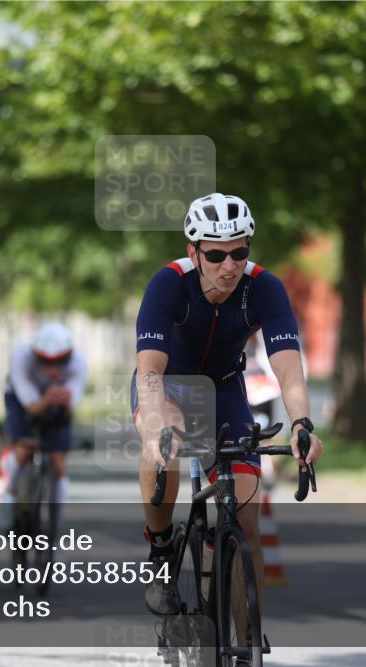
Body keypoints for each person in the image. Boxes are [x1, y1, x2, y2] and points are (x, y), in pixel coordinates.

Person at [132, 192, 324, 616]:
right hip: (169, 385)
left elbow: (289, 371)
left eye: (239, 252)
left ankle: (245, 645)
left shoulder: (264, 288)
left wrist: (301, 424)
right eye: (216, 254)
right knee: (164, 449)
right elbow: (149, 373)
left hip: (223, 389)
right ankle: (162, 550)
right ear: (194, 252)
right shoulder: (169, 283)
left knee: (247, 520)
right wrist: (156, 426)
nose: (229, 265)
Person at [2, 323, 89, 530]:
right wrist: (47, 400)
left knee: (59, 462)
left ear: (68, 358)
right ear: (35, 357)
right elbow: (31, 408)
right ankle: (9, 495)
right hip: (21, 399)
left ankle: (55, 530)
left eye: (59, 363)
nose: (52, 369)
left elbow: (69, 412)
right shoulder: (20, 357)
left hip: (56, 401)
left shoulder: (79, 363)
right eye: (46, 363)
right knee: (24, 449)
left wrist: (66, 403)